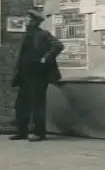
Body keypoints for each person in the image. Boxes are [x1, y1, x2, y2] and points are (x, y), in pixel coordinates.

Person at [10, 9, 64, 142]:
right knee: (21, 104)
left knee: (37, 104)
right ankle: (22, 131)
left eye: (28, 19)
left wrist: (46, 58)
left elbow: (58, 45)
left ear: (34, 21)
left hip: (38, 75)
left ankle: (38, 133)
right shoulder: (26, 35)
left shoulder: (43, 34)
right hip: (25, 75)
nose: (25, 21)